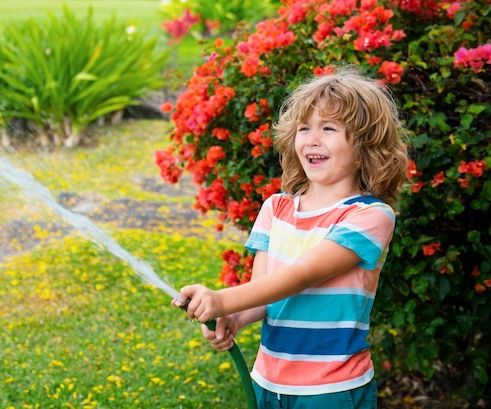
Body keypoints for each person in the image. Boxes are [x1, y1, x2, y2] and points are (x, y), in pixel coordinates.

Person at [172, 67, 409, 408]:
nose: (312, 139)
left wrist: (222, 299)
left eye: (328, 129)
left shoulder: (369, 215)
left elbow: (301, 276)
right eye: (304, 129)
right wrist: (233, 318)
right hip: (268, 381)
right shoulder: (276, 209)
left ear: (364, 145)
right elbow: (265, 291)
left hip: (332, 388)